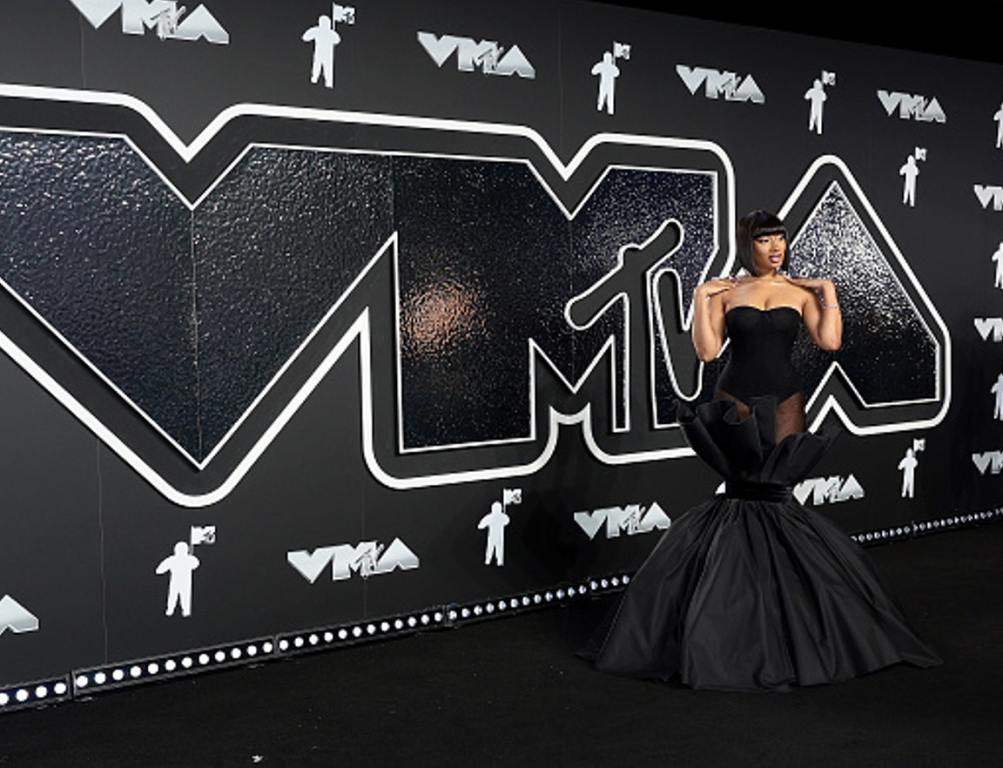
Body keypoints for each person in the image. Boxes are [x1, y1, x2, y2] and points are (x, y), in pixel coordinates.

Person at [580, 210, 942, 691]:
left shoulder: (800, 293)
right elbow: (708, 353)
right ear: (747, 244)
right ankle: (734, 613)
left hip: (788, 399)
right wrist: (699, 298)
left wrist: (828, 294)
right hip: (735, 396)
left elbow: (829, 342)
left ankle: (786, 613)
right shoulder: (728, 292)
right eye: (765, 240)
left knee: (776, 493)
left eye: (780, 239)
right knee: (744, 490)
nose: (775, 248)